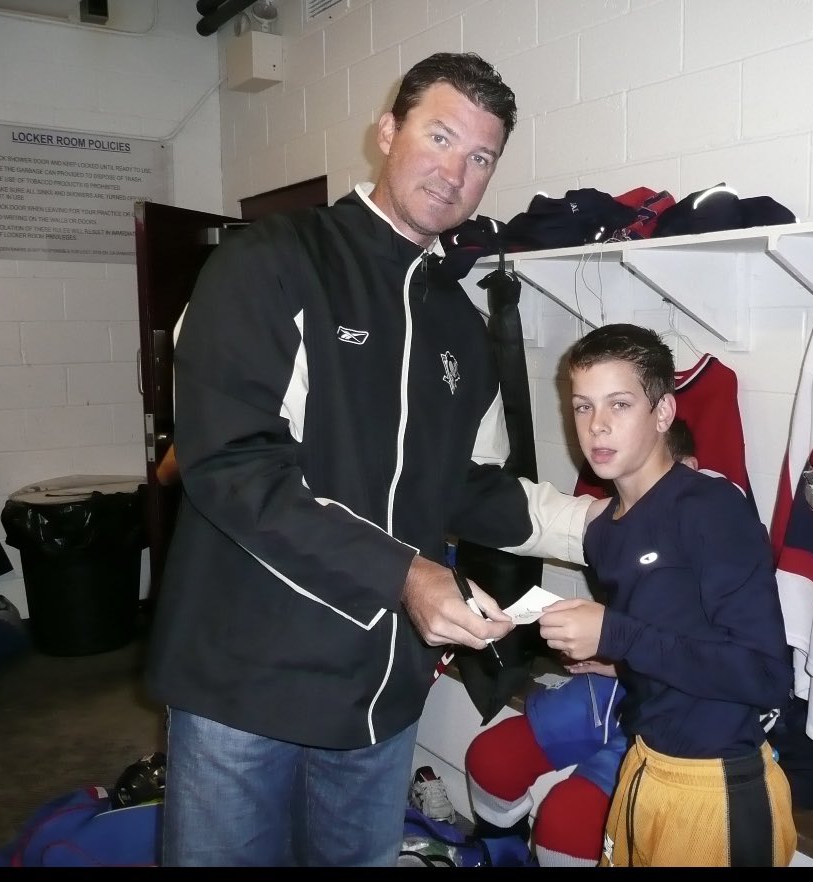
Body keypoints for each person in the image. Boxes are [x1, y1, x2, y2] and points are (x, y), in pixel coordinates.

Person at [144, 52, 607, 868]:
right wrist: (406, 574)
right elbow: (233, 464)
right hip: (245, 681)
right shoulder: (268, 263)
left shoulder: (460, 323)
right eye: (438, 135)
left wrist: (597, 529)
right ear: (387, 132)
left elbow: (470, 486)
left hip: (381, 696)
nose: (455, 170)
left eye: (480, 157)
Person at [538, 323, 796, 866]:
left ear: (662, 413)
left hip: (718, 787)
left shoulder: (710, 508)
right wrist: (616, 661)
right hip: (647, 766)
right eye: (583, 407)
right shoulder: (606, 530)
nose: (597, 425)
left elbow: (767, 676)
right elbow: (675, 638)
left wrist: (617, 633)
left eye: (620, 404)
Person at [464, 419, 700, 867]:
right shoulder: (626, 518)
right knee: (492, 759)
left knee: (569, 822)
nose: (630, 501)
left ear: (688, 468)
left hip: (683, 709)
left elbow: (732, 666)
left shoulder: (723, 534)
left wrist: (622, 655)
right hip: (618, 685)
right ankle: (504, 857)